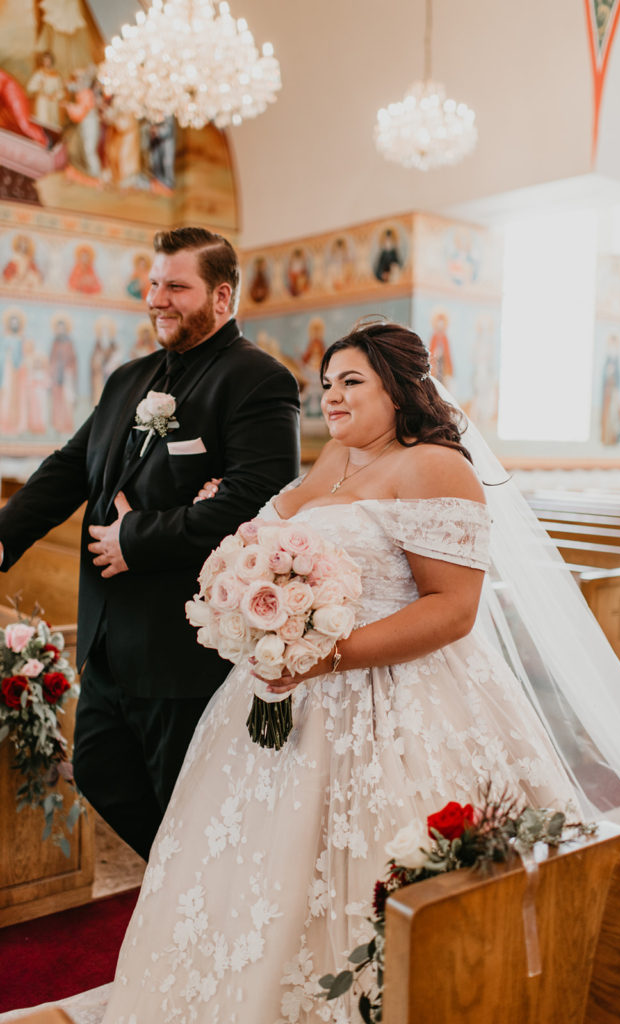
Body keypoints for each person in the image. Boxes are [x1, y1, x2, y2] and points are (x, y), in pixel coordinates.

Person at [6, 319, 620, 1024]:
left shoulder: (435, 466)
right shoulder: (340, 456)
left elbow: (453, 609)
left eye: (351, 381)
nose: (331, 397)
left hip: (396, 696)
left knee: (369, 874)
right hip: (284, 694)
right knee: (259, 876)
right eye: (326, 384)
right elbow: (262, 531)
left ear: (400, 387)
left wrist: (323, 654)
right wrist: (246, 590)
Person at [0, 227, 301, 863]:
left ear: (222, 298)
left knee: (187, 801)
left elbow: (254, 502)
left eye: (176, 286)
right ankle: (182, 895)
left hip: (183, 645)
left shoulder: (258, 381)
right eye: (153, 282)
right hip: (107, 640)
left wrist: (135, 536)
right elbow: (68, 467)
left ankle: (200, 919)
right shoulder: (126, 379)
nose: (156, 297)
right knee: (103, 775)